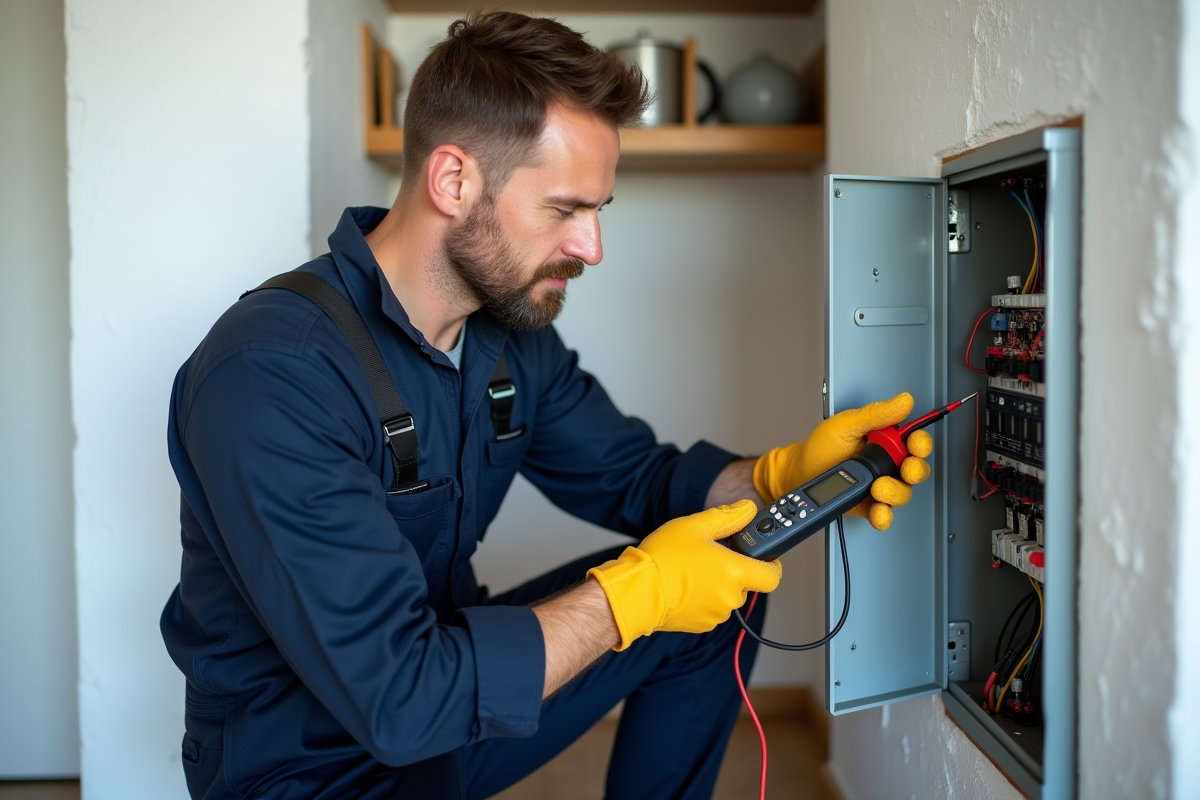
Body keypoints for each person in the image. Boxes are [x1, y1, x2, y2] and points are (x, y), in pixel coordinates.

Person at [160, 11, 932, 800]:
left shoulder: (509, 338)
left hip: (448, 726)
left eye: (598, 211)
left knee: (727, 583)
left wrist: (779, 477)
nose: (593, 247)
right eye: (565, 210)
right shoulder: (273, 373)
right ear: (453, 180)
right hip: (311, 768)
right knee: (650, 594)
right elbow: (399, 697)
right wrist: (635, 596)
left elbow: (639, 480)